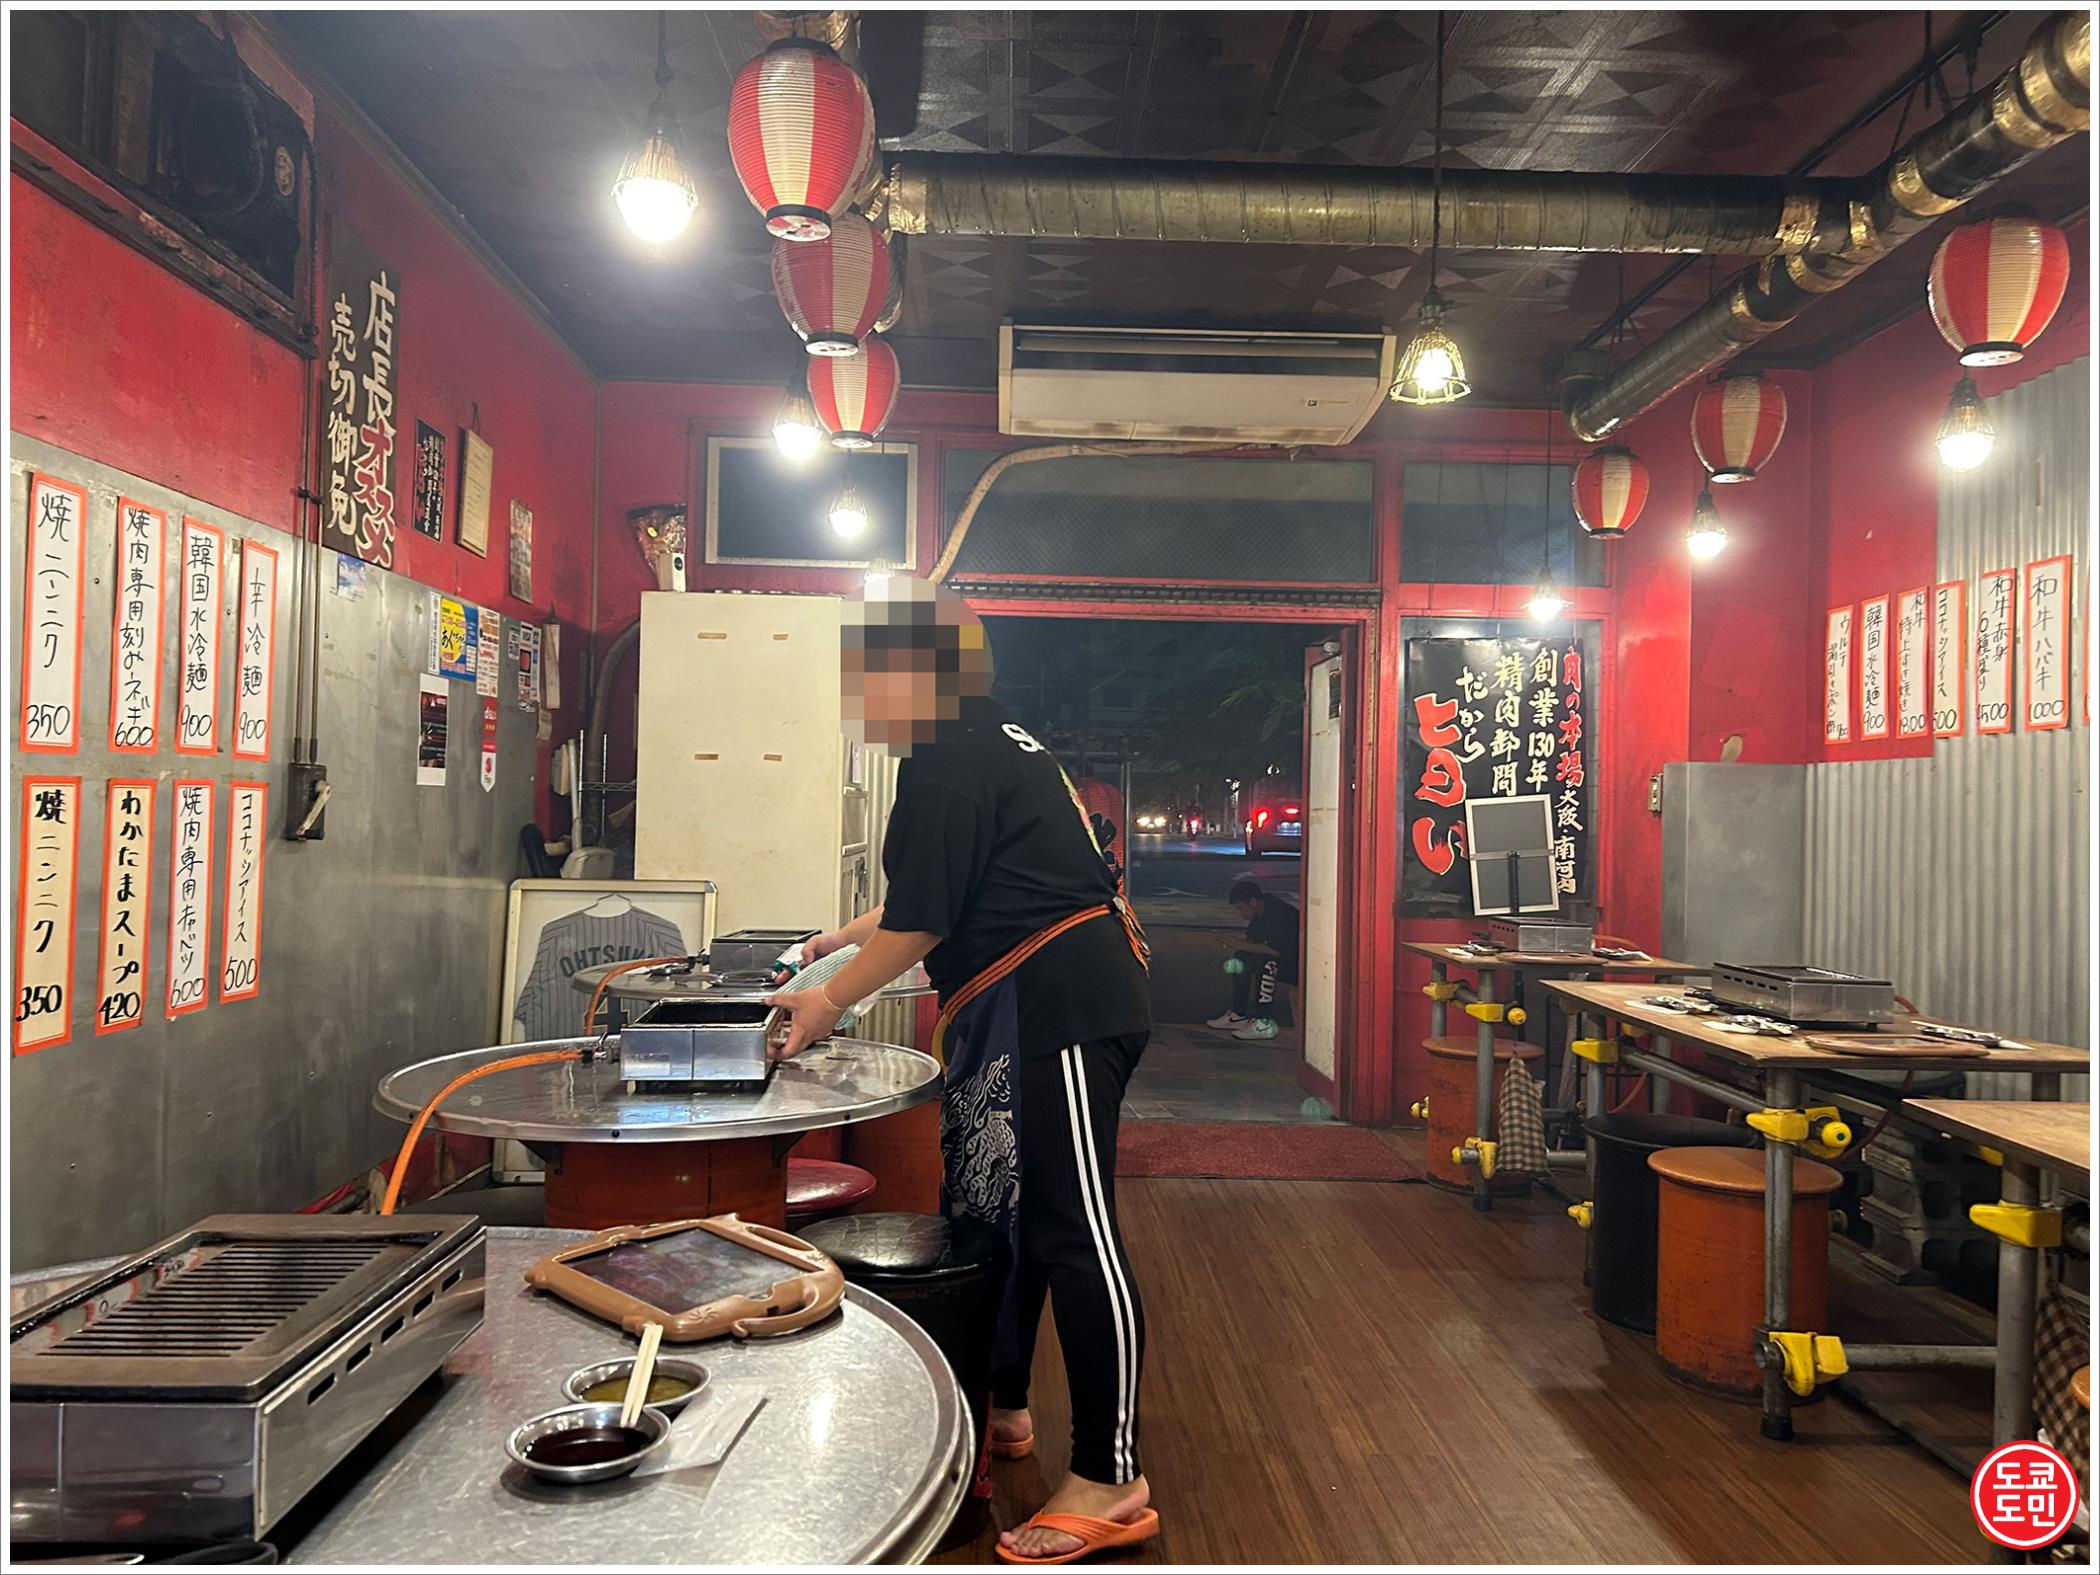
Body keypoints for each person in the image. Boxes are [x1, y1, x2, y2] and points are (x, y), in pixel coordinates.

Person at [768, 580, 1160, 1565]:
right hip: (1026, 1003)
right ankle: (1003, 1402)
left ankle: (1112, 1477)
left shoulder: (950, 753)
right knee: (997, 1211)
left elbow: (922, 923)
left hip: (1060, 1005)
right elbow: (935, 891)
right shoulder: (991, 739)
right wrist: (837, 942)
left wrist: (826, 1000)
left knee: (1073, 1229)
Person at [1206, 877, 1299, 1041]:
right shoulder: (1261, 912)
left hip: (1296, 963)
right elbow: (1254, 939)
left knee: (1267, 964)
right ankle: (1238, 1015)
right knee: (1242, 958)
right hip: (1283, 957)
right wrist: (1234, 941)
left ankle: (1263, 1022)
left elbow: (1275, 950)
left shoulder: (1278, 914)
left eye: (1241, 908)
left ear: (1253, 902)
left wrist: (1240, 944)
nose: (1241, 914)